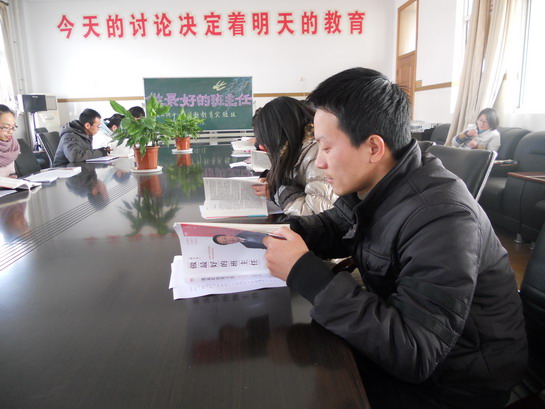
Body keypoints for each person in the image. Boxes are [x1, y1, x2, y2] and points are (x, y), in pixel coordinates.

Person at [262, 68, 527, 409]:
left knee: (290, 383)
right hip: (416, 351)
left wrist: (305, 274)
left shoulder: (443, 217)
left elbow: (415, 352)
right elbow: (333, 226)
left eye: (326, 147)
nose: (322, 162)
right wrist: (282, 234)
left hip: (458, 381)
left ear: (373, 147)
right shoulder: (379, 182)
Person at [251, 96, 337, 216]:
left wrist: (277, 191)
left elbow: (313, 212)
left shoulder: (315, 153)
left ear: (278, 135)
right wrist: (272, 178)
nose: (263, 147)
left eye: (266, 141)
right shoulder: (298, 147)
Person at [0, 105, 20, 178]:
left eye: (12, 127)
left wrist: (9, 179)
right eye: (6, 127)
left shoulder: (12, 144)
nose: (10, 132)